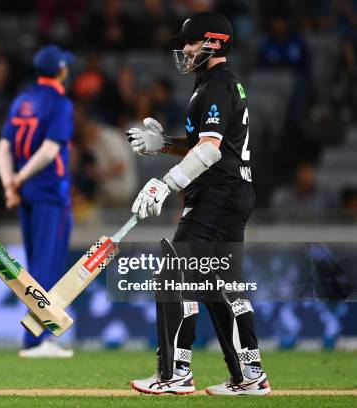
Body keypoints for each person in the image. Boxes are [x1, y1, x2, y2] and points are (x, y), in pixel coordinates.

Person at [127, 12, 271, 396]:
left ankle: (175, 374)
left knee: (174, 276)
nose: (184, 49)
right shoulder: (213, 83)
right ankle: (249, 375)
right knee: (219, 283)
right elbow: (207, 146)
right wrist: (166, 146)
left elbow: (209, 151)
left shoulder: (218, 85)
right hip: (227, 192)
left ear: (213, 43)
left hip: (218, 194)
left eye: (190, 42)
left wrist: (164, 184)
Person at [0, 45, 74, 358]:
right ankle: (38, 339)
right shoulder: (60, 103)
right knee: (47, 266)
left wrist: (9, 184)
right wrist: (20, 179)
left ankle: (38, 337)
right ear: (61, 70)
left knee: (34, 266)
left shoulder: (22, 100)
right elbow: (50, 151)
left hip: (27, 194)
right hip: (50, 192)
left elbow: (3, 147)